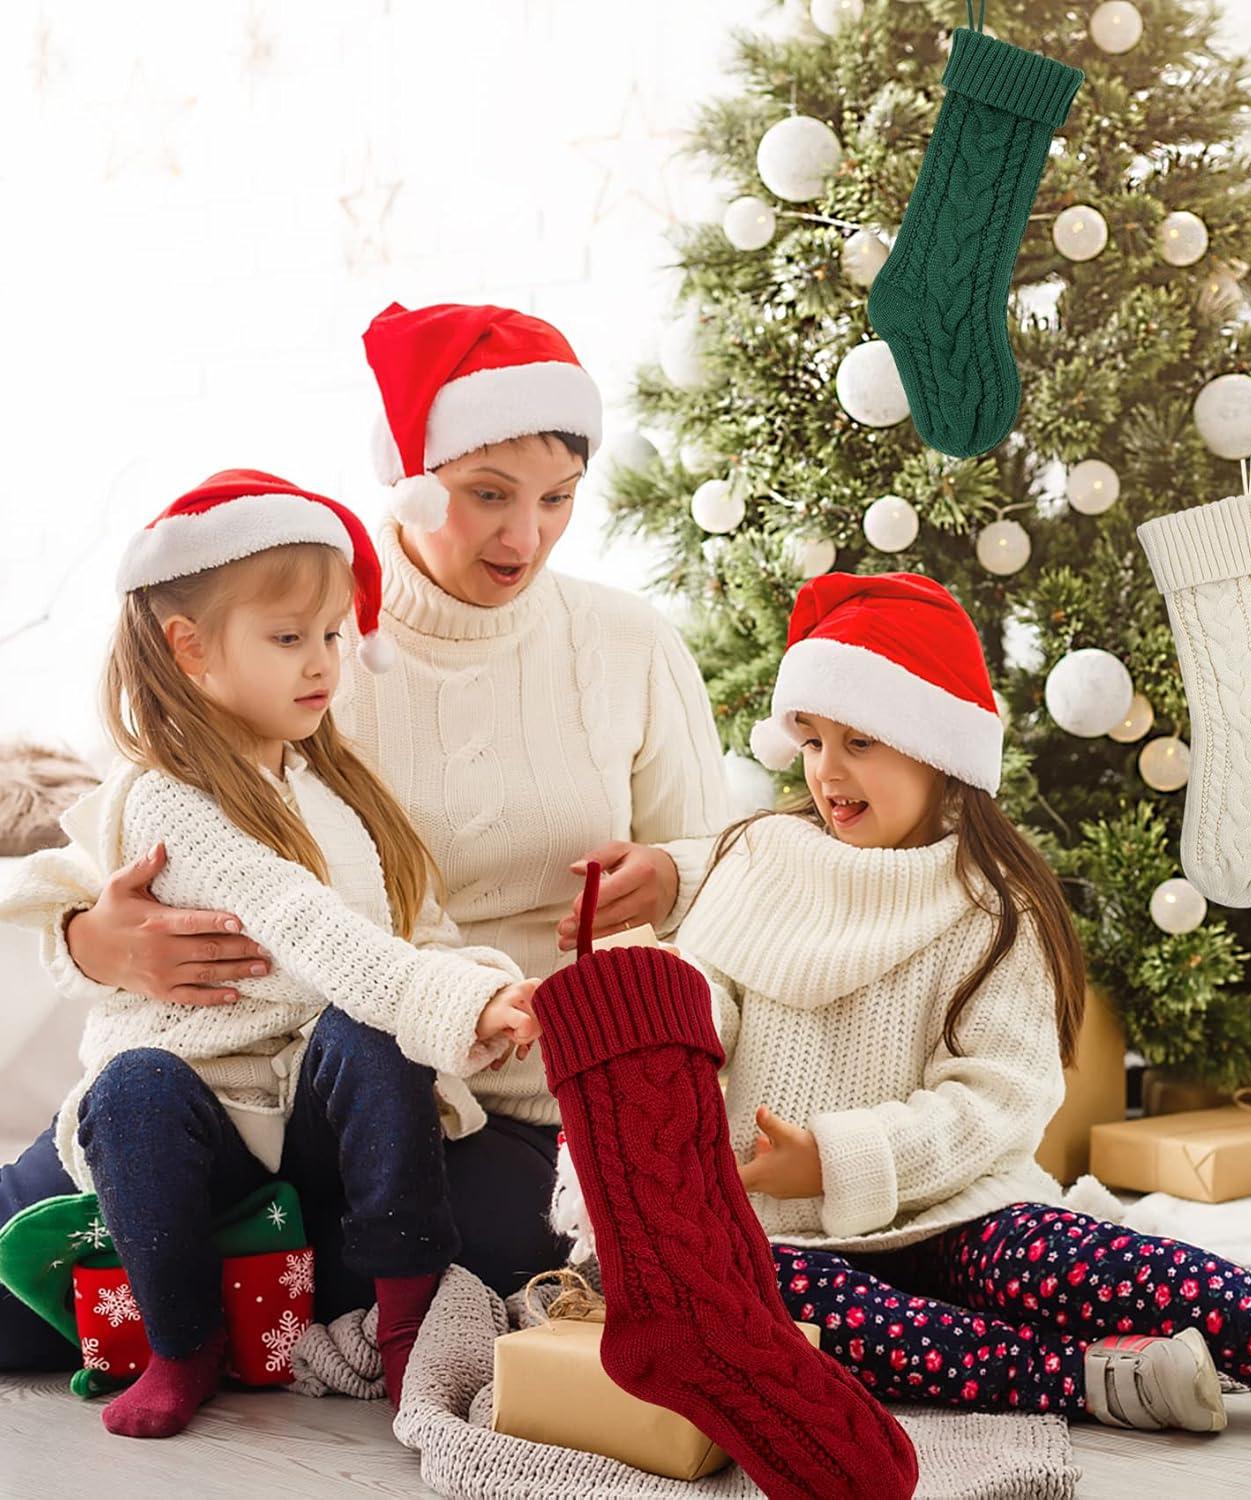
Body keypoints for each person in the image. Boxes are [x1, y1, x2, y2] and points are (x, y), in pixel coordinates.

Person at [559, 571, 1251, 1461]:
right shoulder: (761, 857)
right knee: (763, 1304)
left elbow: (998, 1100)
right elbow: (706, 991)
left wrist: (840, 1156)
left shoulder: (995, 910)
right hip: (788, 1236)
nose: (827, 772)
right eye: (811, 742)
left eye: (861, 743)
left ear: (937, 750)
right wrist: (650, 1028)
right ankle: (1080, 1378)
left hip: (961, 1215)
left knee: (1115, 1266)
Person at [0, 302, 729, 1372]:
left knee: (480, 1254)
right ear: (416, 476)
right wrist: (88, 942)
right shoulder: (300, 622)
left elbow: (738, 872)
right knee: (19, 1297)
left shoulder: (628, 645)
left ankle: (216, 1294)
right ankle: (196, 1270)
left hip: (490, 1096)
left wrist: (673, 873)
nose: (523, 537)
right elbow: (111, 844)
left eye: (558, 501)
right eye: (488, 497)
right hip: (243, 1078)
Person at [0, 472, 542, 1434]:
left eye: (333, 636)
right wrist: (451, 1006)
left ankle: (408, 1321)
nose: (323, 665)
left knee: (372, 1033)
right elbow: (303, 922)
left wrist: (483, 997)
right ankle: (181, 1341)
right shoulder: (171, 796)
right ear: (191, 648)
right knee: (134, 1091)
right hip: (200, 1109)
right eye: (290, 640)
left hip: (313, 1111)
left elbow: (415, 936)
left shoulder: (333, 787)